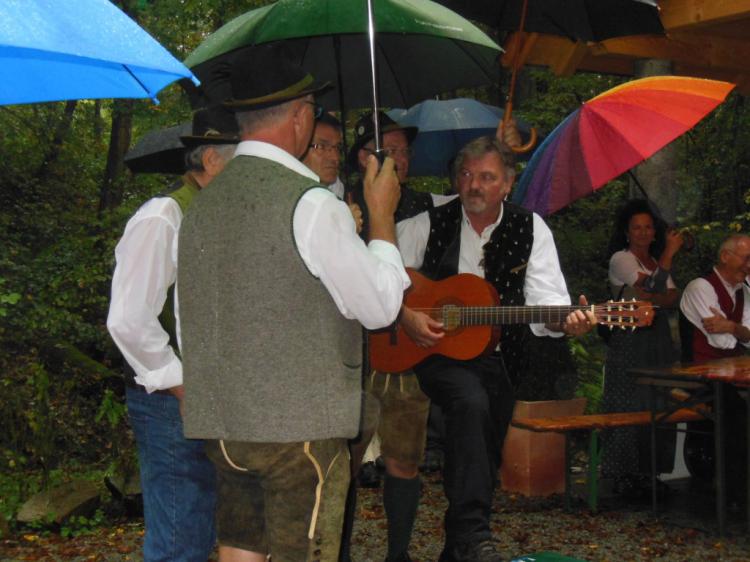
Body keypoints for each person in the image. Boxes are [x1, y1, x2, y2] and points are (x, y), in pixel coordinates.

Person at [177, 47, 410, 562]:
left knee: (240, 548)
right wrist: (382, 216)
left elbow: (188, 314)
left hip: (224, 427)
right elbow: (379, 308)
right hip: (299, 434)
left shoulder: (200, 205)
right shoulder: (311, 203)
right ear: (301, 116)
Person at [395, 135, 595, 562]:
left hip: (504, 359)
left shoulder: (530, 228)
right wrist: (406, 315)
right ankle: (474, 534)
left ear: (507, 183)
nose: (474, 185)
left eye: (487, 177)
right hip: (434, 352)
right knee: (471, 403)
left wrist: (566, 321)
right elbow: (381, 278)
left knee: (484, 448)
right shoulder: (425, 225)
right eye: (467, 175)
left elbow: (547, 302)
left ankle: (459, 547)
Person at [107, 106, 239, 562]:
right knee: (181, 536)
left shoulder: (214, 215)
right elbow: (128, 318)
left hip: (204, 398)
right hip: (169, 403)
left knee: (198, 528)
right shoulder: (163, 216)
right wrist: (181, 386)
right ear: (212, 161)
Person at [601, 199, 683, 497]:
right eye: (637, 227)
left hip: (658, 338)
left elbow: (670, 297)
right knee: (627, 401)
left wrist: (652, 293)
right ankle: (623, 474)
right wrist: (668, 256)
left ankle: (651, 472)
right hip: (630, 337)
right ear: (627, 232)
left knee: (658, 400)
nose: (643, 232)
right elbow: (652, 290)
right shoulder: (621, 259)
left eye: (648, 227)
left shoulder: (655, 264)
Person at [679, 234, 749, 496]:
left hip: (728, 374)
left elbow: (742, 336)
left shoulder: (742, 291)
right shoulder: (701, 287)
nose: (749, 265)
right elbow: (722, 342)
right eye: (746, 258)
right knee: (735, 412)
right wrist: (738, 331)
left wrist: (732, 326)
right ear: (725, 257)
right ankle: (733, 492)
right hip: (699, 375)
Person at [302, 111, 363, 232]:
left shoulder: (347, 195)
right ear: (300, 147)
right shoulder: (291, 201)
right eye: (321, 146)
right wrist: (344, 229)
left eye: (337, 148)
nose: (335, 157)